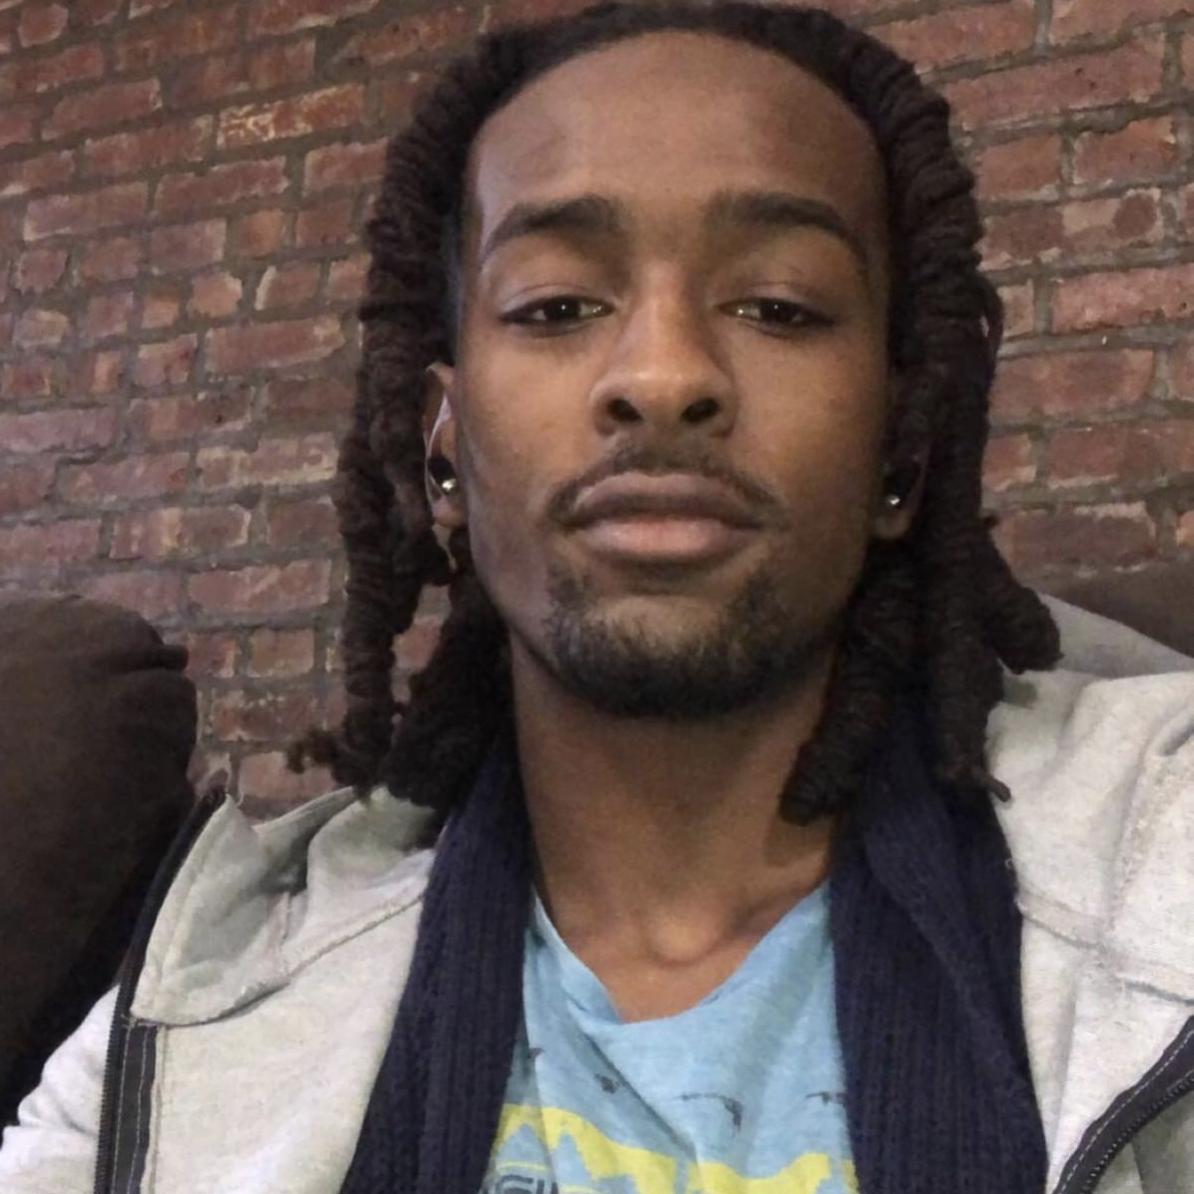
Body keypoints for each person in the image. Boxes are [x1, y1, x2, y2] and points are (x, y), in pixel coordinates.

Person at [2, 2, 1191, 1192]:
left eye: (780, 304)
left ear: (901, 453)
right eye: (558, 306)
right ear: (444, 453)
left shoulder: (1163, 868)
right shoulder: (186, 1022)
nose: (663, 376)